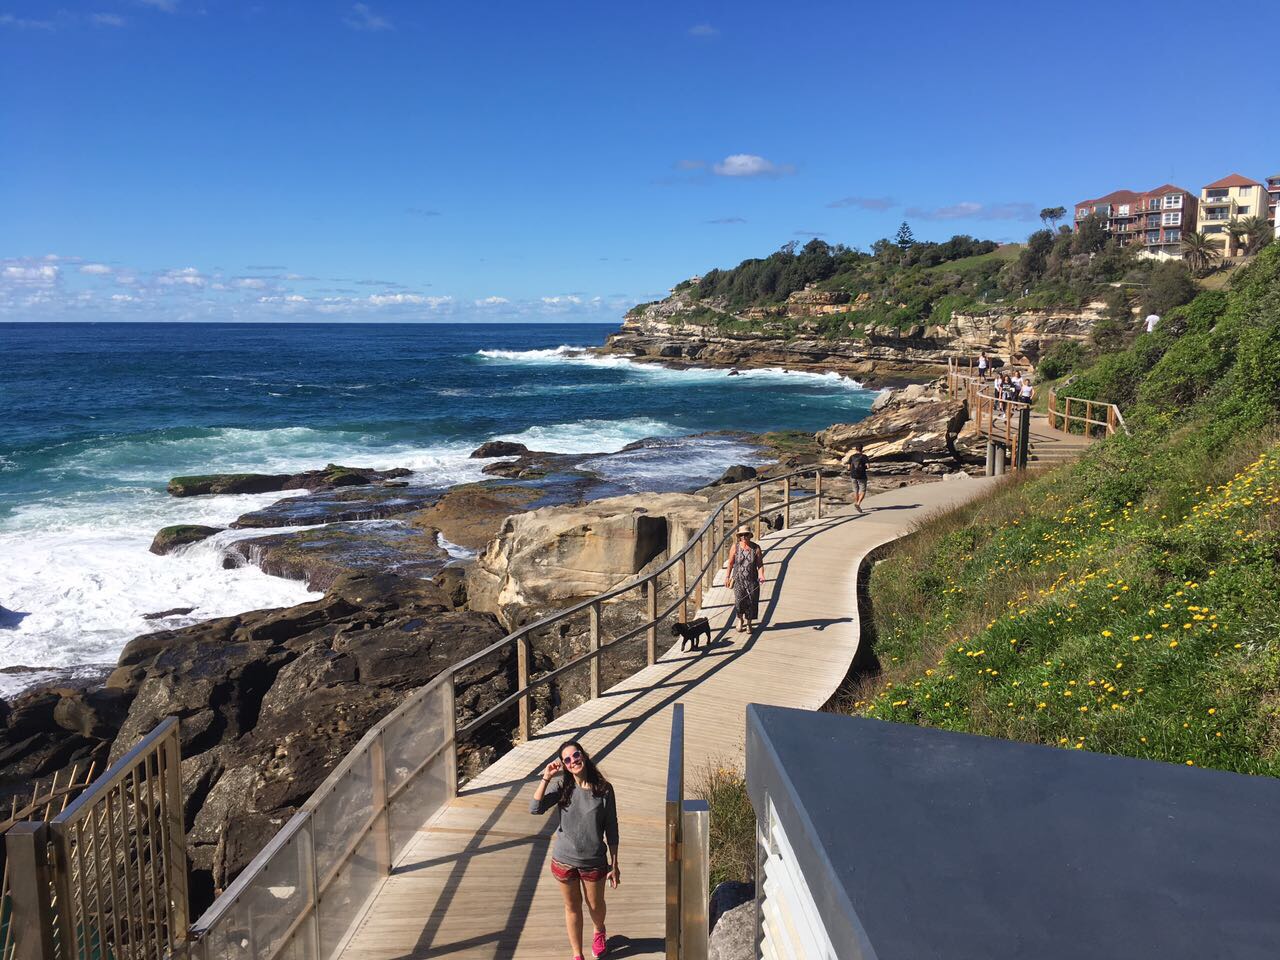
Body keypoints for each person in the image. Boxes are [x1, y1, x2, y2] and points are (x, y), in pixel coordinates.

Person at [531, 740, 620, 960]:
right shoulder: (563, 788)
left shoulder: (604, 790)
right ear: (564, 765)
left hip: (593, 861)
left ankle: (599, 930)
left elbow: (611, 827)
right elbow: (535, 808)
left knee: (595, 905)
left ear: (584, 755)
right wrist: (546, 777)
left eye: (576, 755)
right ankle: (577, 954)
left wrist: (615, 863)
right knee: (572, 907)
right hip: (563, 860)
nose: (573, 761)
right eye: (567, 760)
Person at [725, 527, 765, 634]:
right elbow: (730, 563)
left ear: (749, 535)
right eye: (741, 535)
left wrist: (761, 575)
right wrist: (727, 577)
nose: (743, 537)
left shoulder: (756, 548)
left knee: (752, 601)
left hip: (752, 579)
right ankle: (740, 620)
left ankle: (749, 623)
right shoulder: (735, 547)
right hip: (738, 580)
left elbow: (760, 564)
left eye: (746, 535)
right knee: (739, 601)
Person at [841, 443, 871, 513]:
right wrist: (863, 467)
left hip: (853, 475)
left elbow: (848, 468)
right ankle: (858, 504)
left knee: (856, 491)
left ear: (855, 449)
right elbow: (868, 466)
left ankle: (856, 503)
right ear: (862, 449)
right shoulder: (864, 456)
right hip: (862, 476)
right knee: (863, 490)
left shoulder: (852, 457)